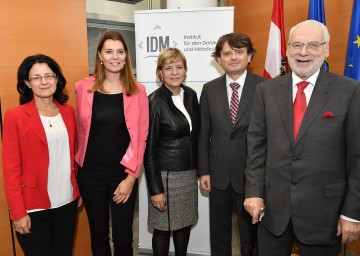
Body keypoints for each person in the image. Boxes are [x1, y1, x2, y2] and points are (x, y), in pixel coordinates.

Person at [244, 20, 360, 256]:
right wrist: (254, 192)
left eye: (313, 45)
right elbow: (256, 148)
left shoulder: (350, 91)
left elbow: (357, 159)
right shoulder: (266, 91)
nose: (303, 52)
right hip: (272, 212)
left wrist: (351, 213)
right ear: (287, 49)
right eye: (297, 45)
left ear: (326, 50)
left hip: (324, 215)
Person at [75, 31, 149, 256]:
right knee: (98, 236)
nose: (114, 57)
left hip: (122, 175)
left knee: (123, 238)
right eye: (109, 51)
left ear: (126, 56)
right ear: (100, 55)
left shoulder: (138, 91)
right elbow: (79, 132)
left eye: (120, 51)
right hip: (90, 175)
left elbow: (141, 138)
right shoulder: (83, 87)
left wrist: (131, 177)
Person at [2, 54, 80, 256]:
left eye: (49, 75)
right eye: (36, 77)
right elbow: (11, 169)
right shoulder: (15, 116)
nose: (44, 81)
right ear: (27, 83)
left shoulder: (68, 112)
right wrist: (18, 212)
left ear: (57, 79)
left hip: (67, 203)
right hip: (33, 207)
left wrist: (76, 188)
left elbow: (73, 154)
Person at [198, 32, 265, 256]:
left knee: (251, 235)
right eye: (227, 53)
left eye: (239, 52)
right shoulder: (209, 89)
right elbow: (203, 133)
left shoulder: (265, 87)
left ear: (250, 57)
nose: (233, 57)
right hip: (218, 174)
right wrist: (204, 170)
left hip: (251, 175)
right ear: (219, 59)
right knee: (219, 233)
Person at [144, 48, 200, 256]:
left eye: (179, 67)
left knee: (183, 224)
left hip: (188, 173)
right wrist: (155, 189)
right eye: (168, 68)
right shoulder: (154, 102)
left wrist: (202, 171)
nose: (174, 72)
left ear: (185, 71)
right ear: (160, 73)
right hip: (166, 177)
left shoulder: (191, 95)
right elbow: (148, 151)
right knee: (162, 229)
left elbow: (197, 137)